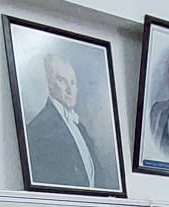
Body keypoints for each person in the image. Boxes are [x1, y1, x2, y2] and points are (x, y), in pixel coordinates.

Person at [25, 53, 107, 189]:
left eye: (73, 83)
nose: (70, 89)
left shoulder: (79, 127)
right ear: (49, 84)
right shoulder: (39, 128)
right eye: (62, 81)